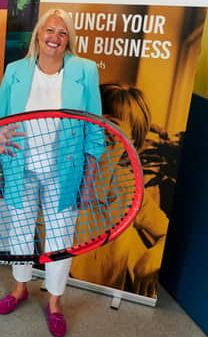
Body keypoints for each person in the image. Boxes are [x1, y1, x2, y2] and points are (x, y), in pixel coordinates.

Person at [0, 8, 103, 337]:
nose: (54, 38)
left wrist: (90, 180)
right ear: (37, 35)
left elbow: (94, 129)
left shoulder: (85, 71)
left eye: (62, 33)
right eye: (49, 31)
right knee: (20, 232)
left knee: (59, 238)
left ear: (69, 39)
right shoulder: (15, 71)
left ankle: (55, 302)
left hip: (64, 171)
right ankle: (20, 288)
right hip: (19, 166)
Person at [69, 83, 168, 298]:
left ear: (132, 139)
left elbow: (166, 233)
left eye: (111, 124)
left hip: (107, 304)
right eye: (95, 118)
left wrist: (152, 259)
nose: (100, 128)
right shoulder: (58, 177)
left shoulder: (131, 189)